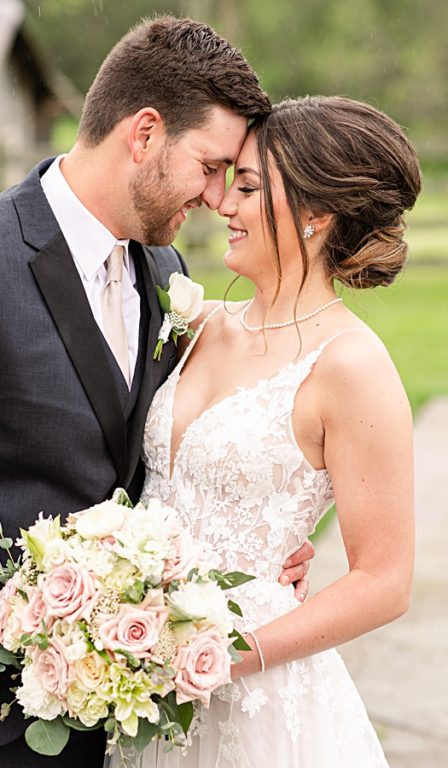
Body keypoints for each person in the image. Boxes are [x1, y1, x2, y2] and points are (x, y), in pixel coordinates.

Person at [0, 16, 315, 767]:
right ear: (144, 135)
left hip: (128, 719)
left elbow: (144, 471)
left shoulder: (167, 274)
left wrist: (251, 562)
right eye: (210, 166)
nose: (216, 196)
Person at [137, 95, 418, 767]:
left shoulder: (351, 364)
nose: (223, 205)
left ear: (316, 214)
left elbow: (384, 581)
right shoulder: (197, 324)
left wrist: (225, 659)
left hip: (258, 704)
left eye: (250, 187)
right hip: (143, 693)